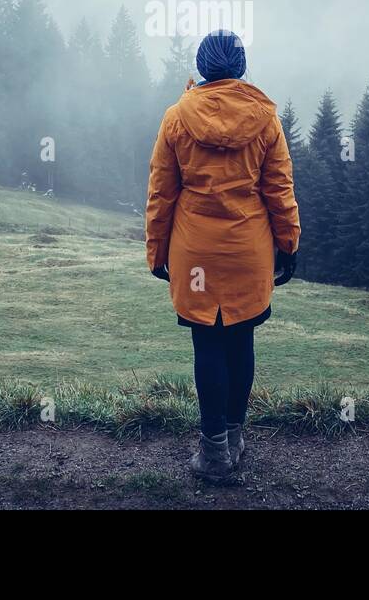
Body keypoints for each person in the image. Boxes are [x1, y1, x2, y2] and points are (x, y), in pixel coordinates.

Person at [145, 29, 300, 481]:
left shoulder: (176, 118)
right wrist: (288, 244)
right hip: (248, 250)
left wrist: (156, 250)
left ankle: (213, 454)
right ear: (240, 67)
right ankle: (235, 438)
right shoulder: (265, 120)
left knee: (207, 344)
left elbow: (162, 192)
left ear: (202, 67)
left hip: (195, 253)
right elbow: (279, 190)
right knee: (241, 341)